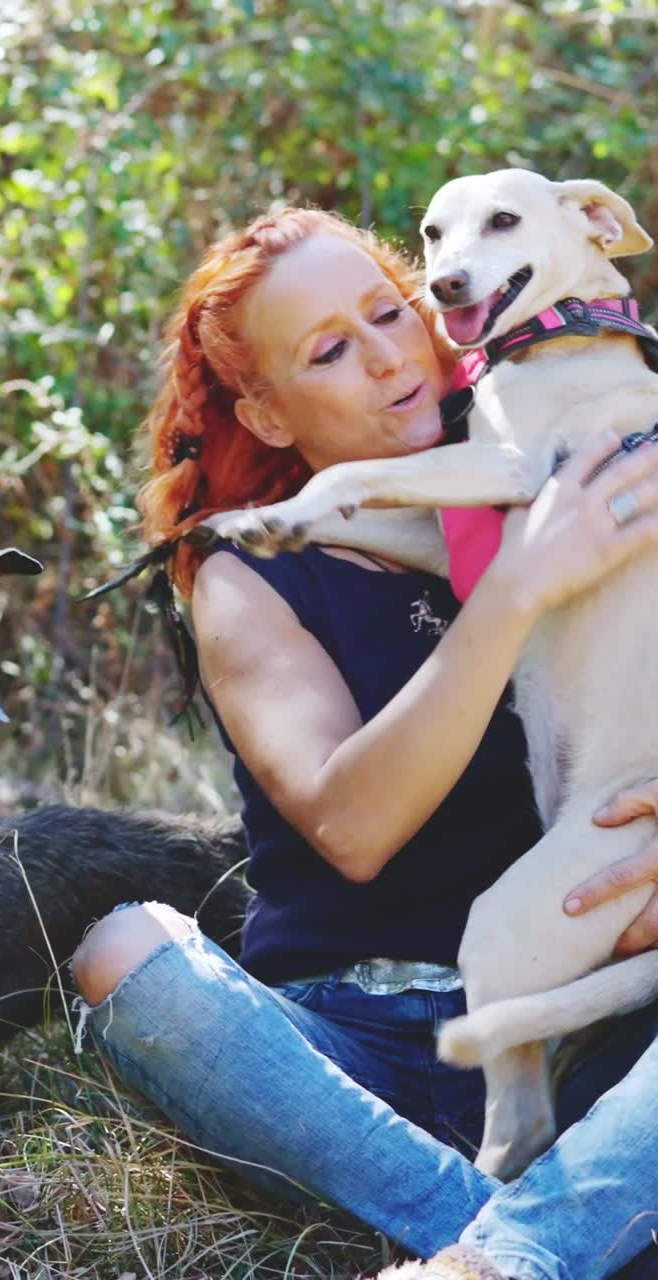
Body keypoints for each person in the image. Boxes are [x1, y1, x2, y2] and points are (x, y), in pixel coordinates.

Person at [72, 208, 658, 1280]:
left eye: (392, 311)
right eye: (330, 350)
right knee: (126, 953)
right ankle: (545, 1235)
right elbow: (354, 824)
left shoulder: (582, 484)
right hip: (350, 1048)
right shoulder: (251, 577)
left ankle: (507, 1255)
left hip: (576, 1031)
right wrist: (521, 585)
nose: (389, 356)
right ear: (271, 413)